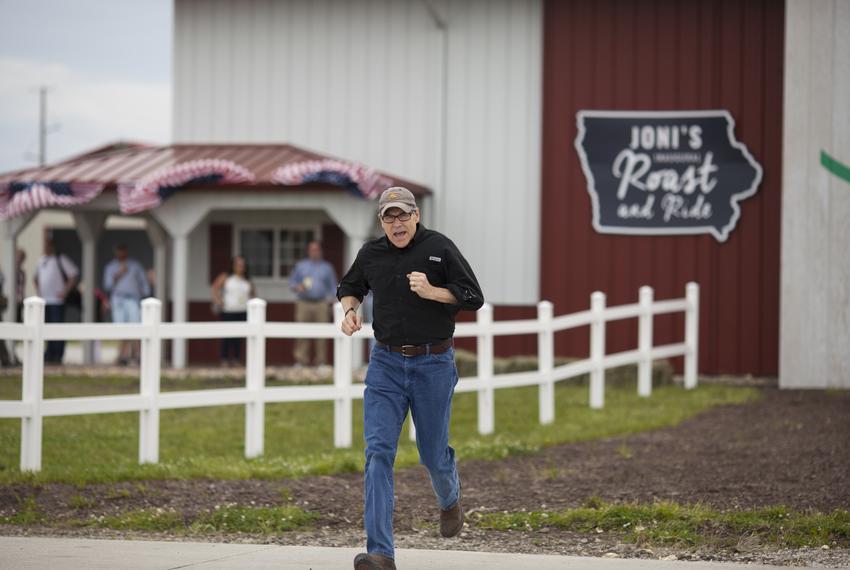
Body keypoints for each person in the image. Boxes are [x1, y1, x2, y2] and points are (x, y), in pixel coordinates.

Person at [337, 187, 484, 570]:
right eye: (389, 217)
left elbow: (473, 296)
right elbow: (351, 287)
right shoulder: (371, 253)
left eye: (403, 215)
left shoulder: (439, 247)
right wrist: (349, 310)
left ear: (416, 216)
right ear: (382, 221)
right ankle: (380, 553)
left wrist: (434, 291)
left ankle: (449, 499)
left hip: (432, 364)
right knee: (378, 453)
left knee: (433, 456)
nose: (397, 223)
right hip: (385, 364)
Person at [288, 240, 337, 367]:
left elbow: (333, 286)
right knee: (301, 332)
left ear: (320, 251)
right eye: (312, 250)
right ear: (308, 251)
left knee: (322, 333)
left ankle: (320, 362)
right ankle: (301, 361)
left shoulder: (327, 267)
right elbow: (292, 283)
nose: (314, 252)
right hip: (303, 302)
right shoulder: (300, 266)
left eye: (317, 249)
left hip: (321, 303)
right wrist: (297, 287)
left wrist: (334, 298)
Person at [103, 244, 150, 365]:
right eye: (119, 250)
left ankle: (137, 354)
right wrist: (119, 273)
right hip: (118, 299)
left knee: (136, 326)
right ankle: (123, 355)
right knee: (121, 328)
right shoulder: (111, 267)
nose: (121, 253)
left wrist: (145, 293)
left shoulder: (135, 266)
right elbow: (107, 285)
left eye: (123, 250)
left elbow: (143, 282)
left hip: (133, 299)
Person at [34, 236, 79, 364]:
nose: (47, 248)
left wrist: (64, 292)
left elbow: (73, 275)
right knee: (45, 328)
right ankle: (49, 353)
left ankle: (58, 355)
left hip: (57, 301)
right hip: (44, 301)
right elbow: (35, 278)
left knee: (57, 327)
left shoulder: (61, 259)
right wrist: (39, 293)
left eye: (49, 245)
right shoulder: (41, 260)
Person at [211, 255, 255, 366]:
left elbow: (253, 294)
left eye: (242, 265)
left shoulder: (247, 280)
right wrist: (219, 301)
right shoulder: (226, 277)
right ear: (233, 265)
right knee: (227, 336)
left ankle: (236, 359)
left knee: (239, 337)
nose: (240, 267)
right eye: (238, 264)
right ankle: (224, 359)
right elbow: (215, 287)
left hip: (242, 310)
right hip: (228, 311)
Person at [15, 248, 26, 323]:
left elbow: (22, 287)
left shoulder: (22, 273)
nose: (20, 260)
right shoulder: (10, 271)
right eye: (18, 257)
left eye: (21, 258)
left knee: (19, 320)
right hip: (12, 301)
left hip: (19, 301)